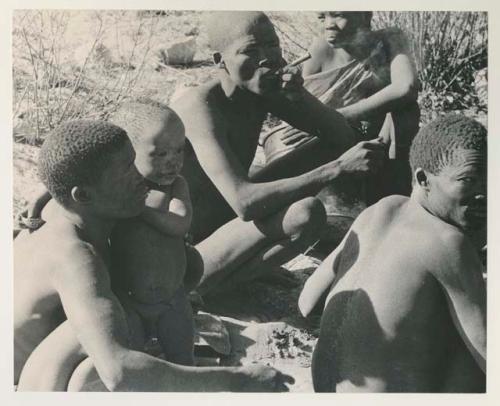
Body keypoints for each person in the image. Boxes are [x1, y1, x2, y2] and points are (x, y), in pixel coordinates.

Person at [15, 120, 293, 391]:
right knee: (112, 339)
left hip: (36, 359)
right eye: (127, 171)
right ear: (84, 195)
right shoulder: (75, 257)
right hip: (24, 381)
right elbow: (119, 373)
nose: (140, 177)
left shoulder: (65, 210)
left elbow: (78, 171)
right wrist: (239, 380)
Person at [171, 11, 387, 296]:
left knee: (323, 163)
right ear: (219, 60)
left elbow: (341, 138)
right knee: (305, 214)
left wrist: (299, 97)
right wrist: (335, 169)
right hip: (181, 258)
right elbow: (244, 203)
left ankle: (237, 270)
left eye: (272, 45)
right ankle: (209, 288)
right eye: (250, 50)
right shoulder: (200, 108)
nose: (266, 58)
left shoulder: (262, 91)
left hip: (224, 226)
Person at [298, 114, 486, 392]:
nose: (485, 192)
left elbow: (307, 302)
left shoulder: (379, 210)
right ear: (423, 178)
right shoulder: (449, 243)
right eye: (468, 180)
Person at [261, 11, 420, 230]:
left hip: (373, 145)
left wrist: (340, 116)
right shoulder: (320, 49)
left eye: (337, 15)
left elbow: (406, 88)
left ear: (365, 15)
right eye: (321, 17)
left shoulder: (390, 40)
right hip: (331, 148)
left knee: (407, 111)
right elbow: (305, 110)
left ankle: (390, 200)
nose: (329, 25)